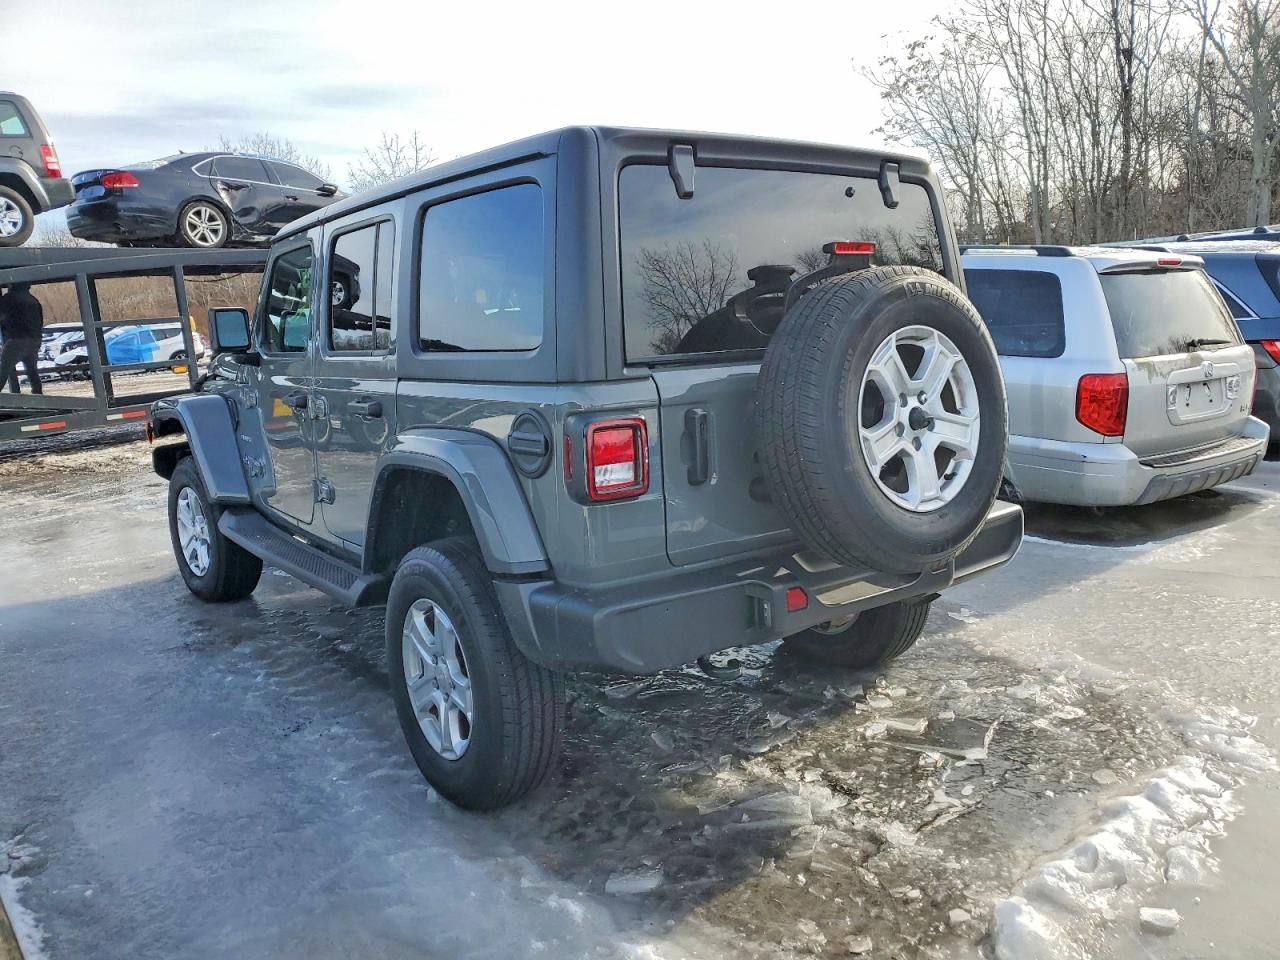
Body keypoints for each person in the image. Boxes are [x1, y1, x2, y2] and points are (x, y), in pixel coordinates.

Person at [0, 281, 44, 394]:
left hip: (17, 340)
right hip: (34, 340)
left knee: (3, 369)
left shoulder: (9, 299)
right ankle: (39, 398)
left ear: (12, 285)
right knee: (32, 371)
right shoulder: (33, 300)